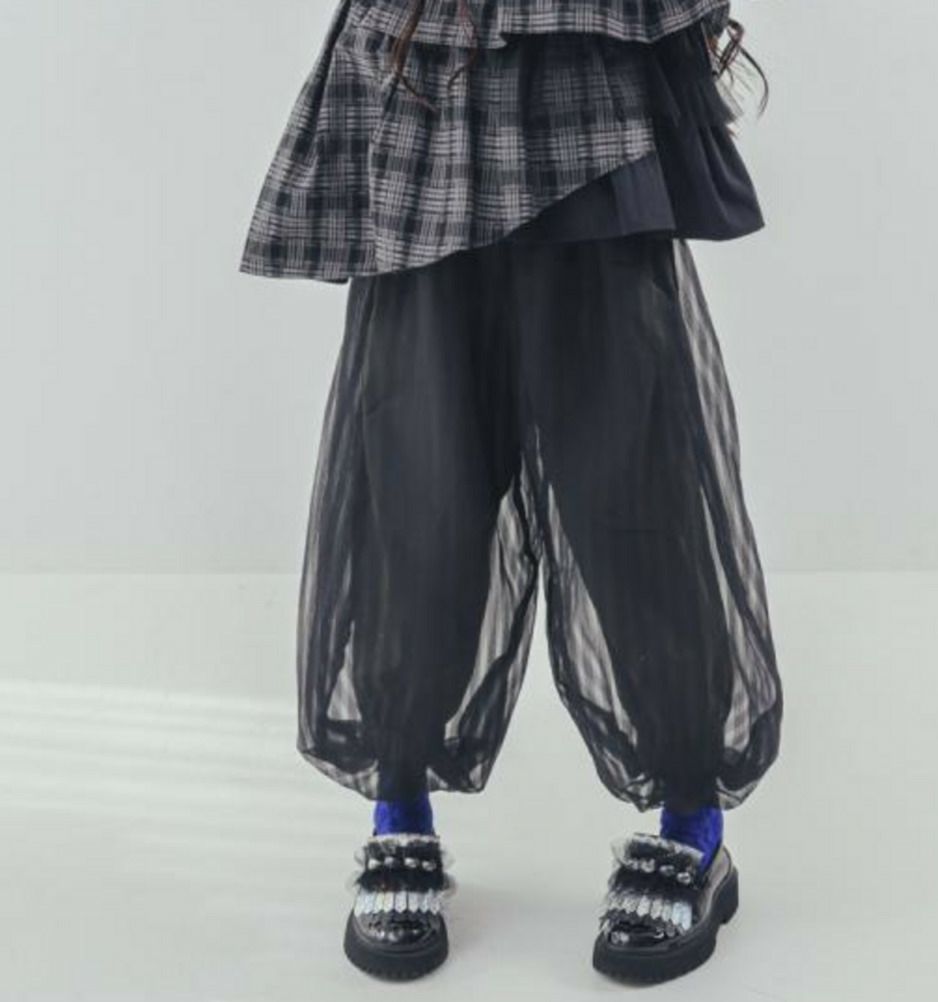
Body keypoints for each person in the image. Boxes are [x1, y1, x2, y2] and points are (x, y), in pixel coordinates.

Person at [240, 0, 782, 983]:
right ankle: (399, 805)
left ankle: (692, 821)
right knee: (420, 479)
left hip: (586, 56)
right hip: (428, 72)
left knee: (630, 485)